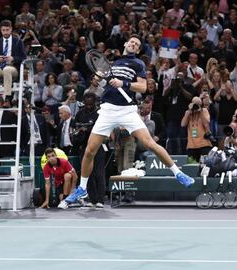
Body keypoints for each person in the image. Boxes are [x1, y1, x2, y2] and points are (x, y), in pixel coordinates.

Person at [62, 35, 195, 206]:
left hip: (127, 110)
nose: (133, 44)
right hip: (108, 109)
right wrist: (99, 79)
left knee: (150, 144)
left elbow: (143, 87)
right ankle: (82, 188)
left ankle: (178, 173)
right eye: (131, 41)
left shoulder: (137, 64)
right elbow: (101, 84)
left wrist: (124, 84)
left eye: (137, 44)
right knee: (89, 150)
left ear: (138, 50)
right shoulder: (112, 64)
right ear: (125, 44)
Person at [0, 20, 26, 108]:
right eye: (3, 30)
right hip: (0, 67)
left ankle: (8, 99)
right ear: (1, 30)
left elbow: (24, 57)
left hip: (13, 68)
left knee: (7, 70)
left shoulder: (18, 41)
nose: (5, 32)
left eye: (7, 30)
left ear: (11, 29)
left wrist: (13, 58)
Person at [181, 96, 212, 162]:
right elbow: (183, 124)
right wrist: (189, 111)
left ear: (200, 105)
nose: (195, 106)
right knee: (191, 168)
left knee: (205, 167)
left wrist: (200, 112)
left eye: (197, 104)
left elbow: (207, 123)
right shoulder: (188, 112)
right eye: (194, 104)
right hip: (191, 145)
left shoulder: (204, 111)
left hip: (204, 144)